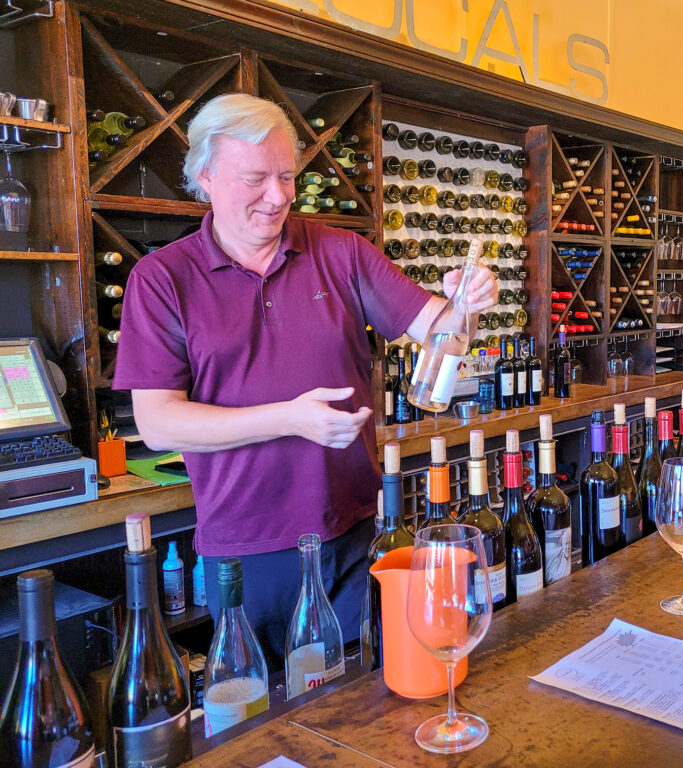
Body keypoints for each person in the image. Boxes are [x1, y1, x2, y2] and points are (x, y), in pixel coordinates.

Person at [112, 93, 497, 667]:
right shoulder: (162, 278)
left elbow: (435, 325)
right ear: (206, 177)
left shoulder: (340, 251)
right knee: (262, 729)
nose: (278, 196)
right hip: (244, 551)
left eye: (288, 177)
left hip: (352, 534)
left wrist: (466, 300)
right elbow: (159, 423)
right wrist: (291, 418)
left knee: (365, 706)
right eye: (257, 179)